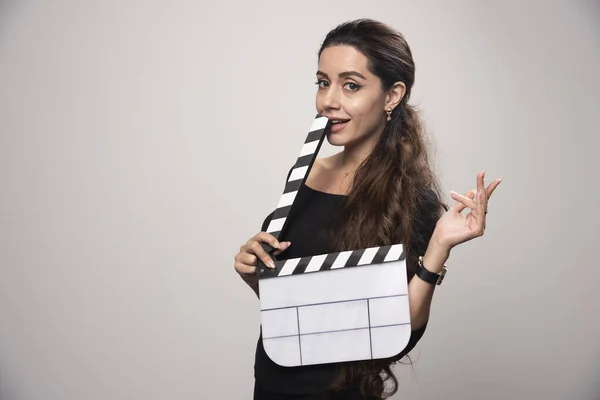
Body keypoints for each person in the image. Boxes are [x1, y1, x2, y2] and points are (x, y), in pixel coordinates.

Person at [234, 18, 502, 400]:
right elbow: (298, 309)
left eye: (351, 86)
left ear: (392, 96)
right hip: (273, 382)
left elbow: (400, 331)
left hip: (342, 392)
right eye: (323, 83)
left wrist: (438, 248)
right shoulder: (305, 175)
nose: (329, 100)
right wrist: (255, 272)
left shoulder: (410, 198)